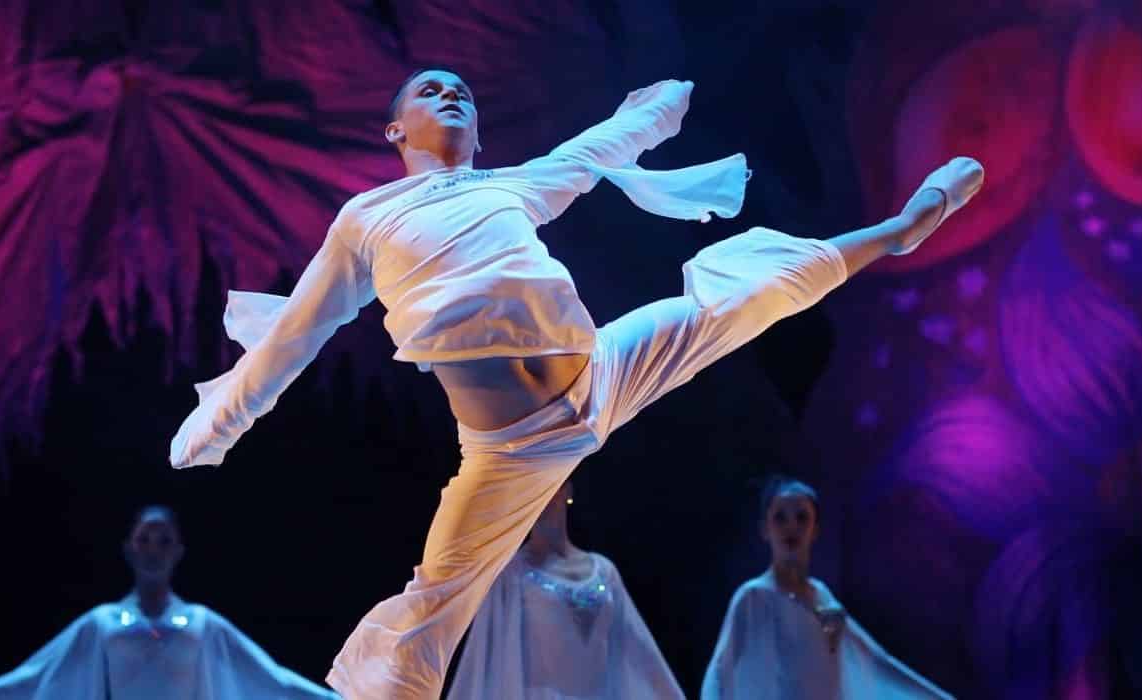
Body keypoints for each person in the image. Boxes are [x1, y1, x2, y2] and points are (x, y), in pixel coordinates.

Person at [169, 68, 985, 699]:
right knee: (430, 611)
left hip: (601, 374)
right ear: (396, 128)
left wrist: (655, 111)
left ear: (479, 130)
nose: (450, 93)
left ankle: (901, 230)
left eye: (461, 91)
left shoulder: (508, 184)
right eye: (430, 89)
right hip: (510, 450)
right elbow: (293, 337)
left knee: (738, 300)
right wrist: (218, 426)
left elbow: (592, 153)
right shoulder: (369, 219)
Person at [0, 505, 337, 699]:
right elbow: (33, 679)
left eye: (163, 541)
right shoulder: (102, 623)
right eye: (145, 539)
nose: (153, 550)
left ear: (178, 551)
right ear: (129, 548)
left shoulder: (202, 623)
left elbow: (272, 680)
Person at [701, 477, 953, 699]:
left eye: (801, 517)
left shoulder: (823, 598)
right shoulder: (753, 597)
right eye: (780, 518)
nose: (791, 527)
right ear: (765, 529)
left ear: (815, 529)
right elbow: (720, 674)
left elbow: (872, 664)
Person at [446, 480, 683, 699]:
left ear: (566, 489)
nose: (540, 494)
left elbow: (641, 658)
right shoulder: (510, 575)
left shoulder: (604, 572)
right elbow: (480, 663)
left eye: (548, 482)